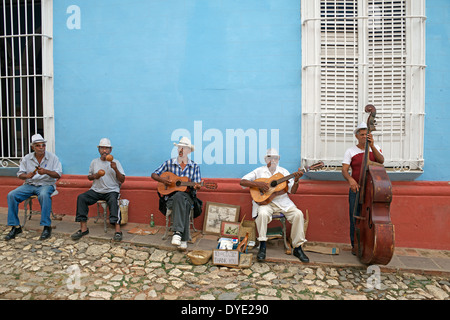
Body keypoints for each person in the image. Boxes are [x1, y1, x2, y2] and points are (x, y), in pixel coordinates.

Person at [240, 148, 309, 263]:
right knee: (262, 213)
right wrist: (259, 184)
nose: (273, 160)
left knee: (298, 214)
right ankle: (262, 245)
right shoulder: (259, 171)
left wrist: (296, 180)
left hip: (283, 202)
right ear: (265, 159)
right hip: (265, 203)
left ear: (278, 159)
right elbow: (243, 182)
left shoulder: (284, 172)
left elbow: (293, 191)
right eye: (270, 158)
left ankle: (298, 248)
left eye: (275, 158)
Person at [5, 134, 62, 241]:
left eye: (43, 145)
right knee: (11, 195)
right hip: (30, 185)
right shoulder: (27, 158)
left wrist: (45, 171)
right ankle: (15, 227)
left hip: (46, 184)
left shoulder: (53, 158)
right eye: (38, 145)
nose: (41, 147)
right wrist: (26, 176)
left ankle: (46, 226)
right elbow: (20, 174)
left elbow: (58, 175)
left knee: (44, 195)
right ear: (33, 147)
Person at [151, 137, 201, 250]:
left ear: (189, 151)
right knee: (180, 199)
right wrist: (163, 180)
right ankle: (184, 239)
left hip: (187, 197)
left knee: (182, 197)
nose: (181, 150)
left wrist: (197, 186)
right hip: (170, 199)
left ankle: (177, 233)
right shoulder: (169, 163)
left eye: (184, 148)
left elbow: (197, 185)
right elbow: (153, 175)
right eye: (179, 147)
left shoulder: (194, 166)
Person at [71, 138, 126, 241]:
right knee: (81, 198)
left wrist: (115, 169)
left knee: (114, 200)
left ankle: (118, 231)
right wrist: (95, 176)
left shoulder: (116, 162)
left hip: (111, 190)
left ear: (110, 150)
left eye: (107, 148)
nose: (104, 151)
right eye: (102, 148)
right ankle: (83, 229)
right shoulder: (94, 162)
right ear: (99, 150)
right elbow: (89, 177)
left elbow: (122, 180)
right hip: (96, 190)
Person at [342, 122, 384, 254]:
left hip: (373, 189)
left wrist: (371, 146)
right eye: (362, 135)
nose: (364, 137)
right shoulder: (350, 151)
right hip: (356, 189)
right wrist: (350, 180)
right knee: (354, 217)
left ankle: (371, 244)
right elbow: (344, 170)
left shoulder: (375, 147)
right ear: (356, 136)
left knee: (372, 217)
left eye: (367, 134)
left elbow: (381, 161)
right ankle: (355, 245)